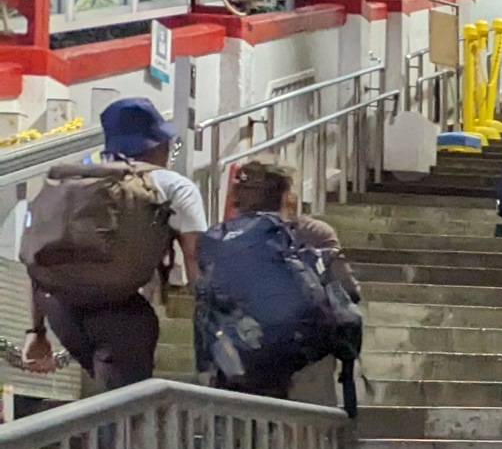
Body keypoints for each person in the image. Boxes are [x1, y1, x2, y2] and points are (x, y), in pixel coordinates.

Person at [15, 98, 208, 391]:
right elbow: (195, 256)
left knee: (111, 397)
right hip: (121, 312)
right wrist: (208, 316)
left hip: (60, 309)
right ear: (157, 144)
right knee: (123, 413)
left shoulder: (76, 183)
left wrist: (36, 330)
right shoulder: (172, 185)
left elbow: (40, 257)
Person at [208, 161, 362, 405]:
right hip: (307, 359)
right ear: (287, 194)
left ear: (238, 196)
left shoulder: (223, 237)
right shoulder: (315, 232)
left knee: (242, 432)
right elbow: (348, 291)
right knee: (310, 431)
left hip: (242, 356)